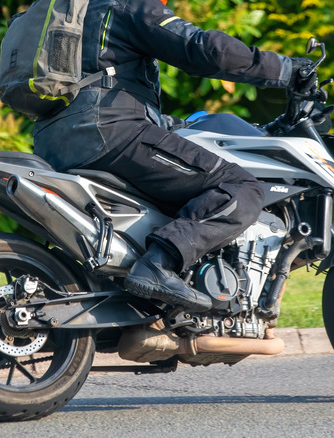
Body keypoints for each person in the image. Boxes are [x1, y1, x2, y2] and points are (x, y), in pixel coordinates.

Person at [32, 0, 313, 312]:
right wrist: (288, 70)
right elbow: (204, 49)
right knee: (240, 188)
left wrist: (170, 125)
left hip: (52, 142)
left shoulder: (70, 12)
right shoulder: (127, 5)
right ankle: (158, 264)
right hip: (110, 133)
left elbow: (95, 84)